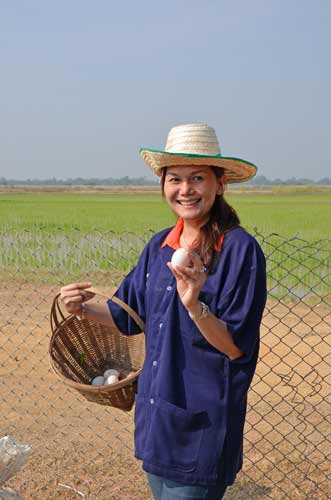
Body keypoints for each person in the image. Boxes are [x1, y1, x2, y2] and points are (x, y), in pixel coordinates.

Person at [60, 123, 267, 500]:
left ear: (219, 184)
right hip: (157, 420)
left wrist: (194, 305)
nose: (185, 190)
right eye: (175, 179)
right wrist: (81, 309)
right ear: (163, 184)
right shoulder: (160, 246)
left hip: (200, 424)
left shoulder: (238, 251)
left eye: (197, 178)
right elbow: (126, 316)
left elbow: (236, 346)